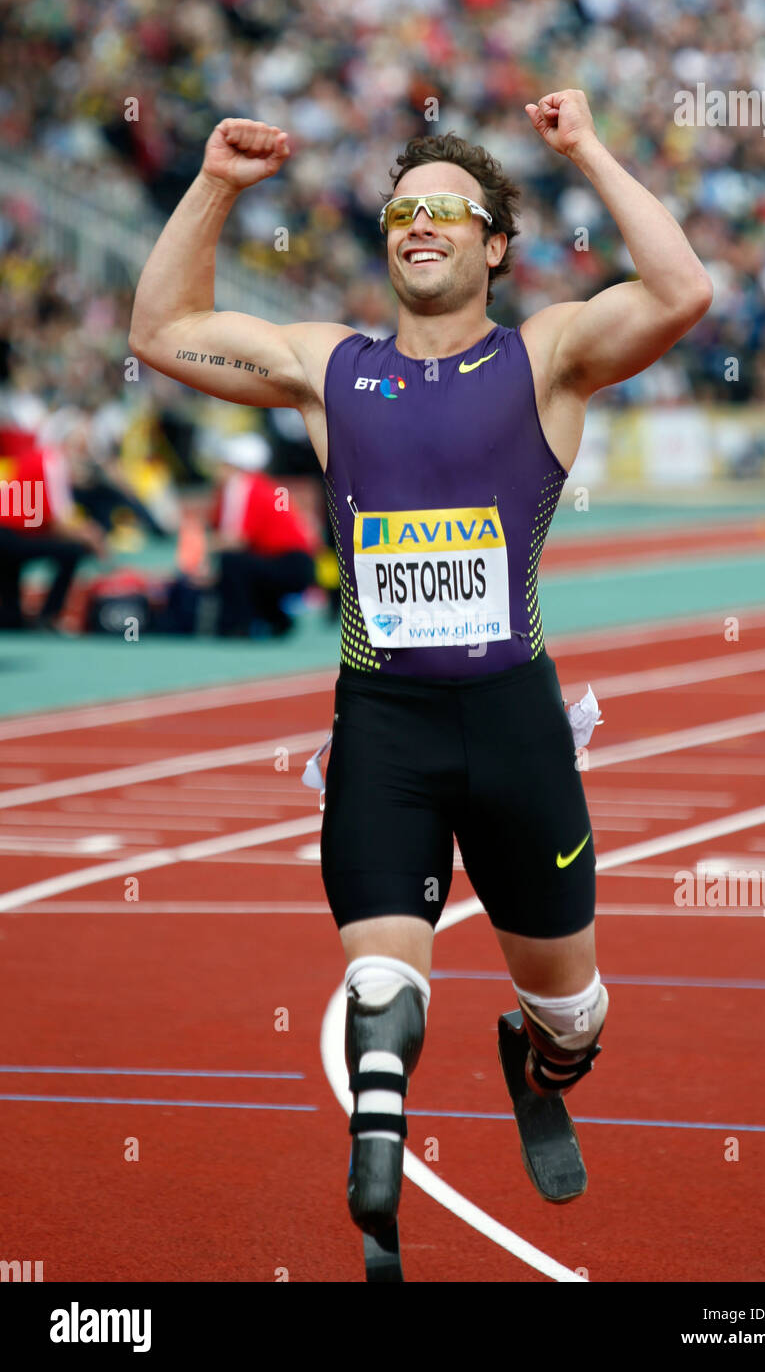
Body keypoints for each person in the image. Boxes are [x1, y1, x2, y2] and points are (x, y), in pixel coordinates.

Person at [129, 93, 712, 1279]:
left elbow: (681, 293)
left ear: (494, 242)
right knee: (382, 983)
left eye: (447, 210)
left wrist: (583, 149)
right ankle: (379, 1172)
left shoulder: (547, 355)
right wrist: (215, 184)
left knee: (572, 1014)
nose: (419, 225)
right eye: (401, 212)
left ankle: (537, 1061)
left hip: (514, 728)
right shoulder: (326, 369)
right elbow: (162, 331)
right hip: (382, 723)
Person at [202, 431, 317, 636]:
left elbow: (236, 540)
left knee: (232, 563)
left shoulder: (241, 485)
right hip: (299, 563)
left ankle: (238, 626)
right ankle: (276, 619)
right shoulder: (262, 485)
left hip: (289, 562)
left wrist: (201, 550)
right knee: (245, 564)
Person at [0, 412, 104, 631]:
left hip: (12, 534)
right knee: (74, 551)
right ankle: (48, 615)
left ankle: (14, 616)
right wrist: (92, 537)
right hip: (11, 535)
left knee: (11, 617)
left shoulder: (36, 456)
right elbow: (60, 520)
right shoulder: (53, 461)